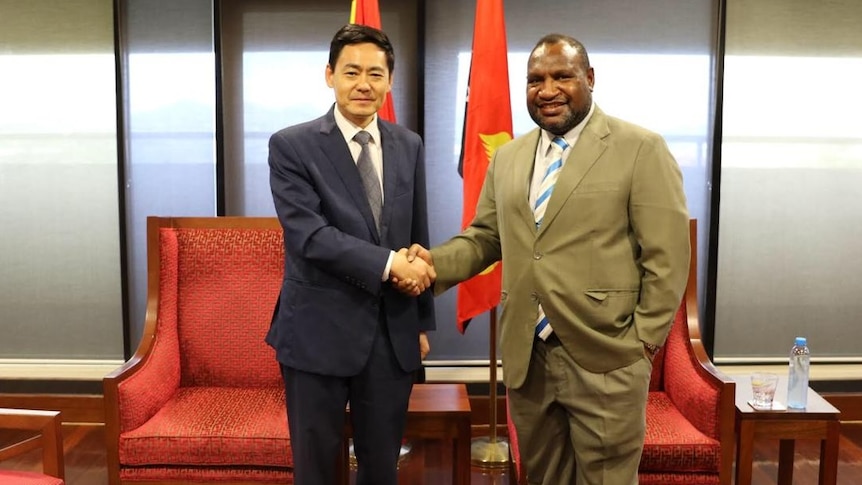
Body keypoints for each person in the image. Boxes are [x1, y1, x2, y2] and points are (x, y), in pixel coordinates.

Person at [404, 34, 690, 484]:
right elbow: (485, 238)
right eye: (535, 79)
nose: (548, 89)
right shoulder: (510, 157)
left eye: (562, 76)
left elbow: (667, 258)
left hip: (606, 356)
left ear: (590, 79)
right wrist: (434, 264)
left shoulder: (640, 148)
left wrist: (642, 346)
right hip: (528, 357)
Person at [266, 23, 436, 485]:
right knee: (316, 468)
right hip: (316, 331)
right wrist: (387, 264)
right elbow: (310, 236)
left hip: (392, 332)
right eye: (352, 72)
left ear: (389, 81)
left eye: (376, 74)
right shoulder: (292, 145)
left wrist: (421, 321)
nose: (364, 84)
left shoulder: (409, 144)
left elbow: (416, 232)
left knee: (382, 467)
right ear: (330, 75)